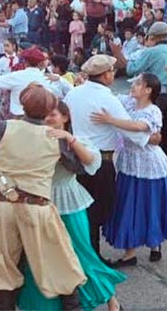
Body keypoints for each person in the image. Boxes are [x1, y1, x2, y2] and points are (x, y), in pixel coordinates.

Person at [0, 85, 86, 311]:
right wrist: (70, 140)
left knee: (1, 266)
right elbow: (77, 167)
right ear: (48, 111)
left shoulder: (5, 127)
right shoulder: (55, 136)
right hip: (37, 208)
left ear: (23, 105)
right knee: (59, 263)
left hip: (1, 207)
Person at [17, 100, 125, 311]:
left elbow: (91, 162)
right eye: (45, 115)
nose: (48, 118)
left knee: (80, 256)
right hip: (40, 204)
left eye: (53, 114)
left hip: (69, 204)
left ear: (65, 117)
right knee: (40, 257)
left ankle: (111, 300)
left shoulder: (78, 139)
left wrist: (69, 138)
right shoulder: (35, 139)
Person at [63, 55, 152, 259]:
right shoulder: (106, 99)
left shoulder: (74, 94)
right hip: (100, 160)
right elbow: (129, 129)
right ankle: (92, 257)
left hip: (76, 157)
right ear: (104, 75)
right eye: (112, 71)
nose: (113, 74)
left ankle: (83, 253)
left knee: (80, 209)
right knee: (97, 211)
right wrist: (149, 135)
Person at [92, 73, 167, 266]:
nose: (133, 87)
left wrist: (110, 120)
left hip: (149, 165)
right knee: (130, 206)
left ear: (149, 90)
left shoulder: (153, 110)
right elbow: (108, 95)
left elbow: (140, 126)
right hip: (130, 163)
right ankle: (134, 251)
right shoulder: (129, 103)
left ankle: (152, 244)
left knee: (148, 205)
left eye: (138, 84)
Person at [112, 21, 167, 174]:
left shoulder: (151, 52)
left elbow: (132, 68)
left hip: (156, 94)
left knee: (154, 131)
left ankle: (158, 165)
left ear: (153, 36)